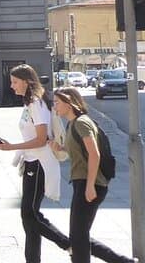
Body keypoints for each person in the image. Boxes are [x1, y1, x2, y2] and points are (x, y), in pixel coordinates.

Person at [0, 64, 70, 262]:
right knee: (28, 218)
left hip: (39, 163)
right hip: (30, 162)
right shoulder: (29, 103)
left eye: (15, 82)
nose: (12, 86)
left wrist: (11, 147)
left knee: (30, 215)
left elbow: (41, 138)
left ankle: (67, 244)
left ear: (27, 82)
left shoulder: (37, 103)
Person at [50, 87, 135, 263]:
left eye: (57, 102)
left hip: (91, 184)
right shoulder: (72, 123)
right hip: (81, 183)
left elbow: (94, 154)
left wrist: (89, 186)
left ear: (69, 102)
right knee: (79, 235)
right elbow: (79, 151)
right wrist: (61, 148)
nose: (54, 106)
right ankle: (122, 261)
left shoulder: (82, 122)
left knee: (78, 235)